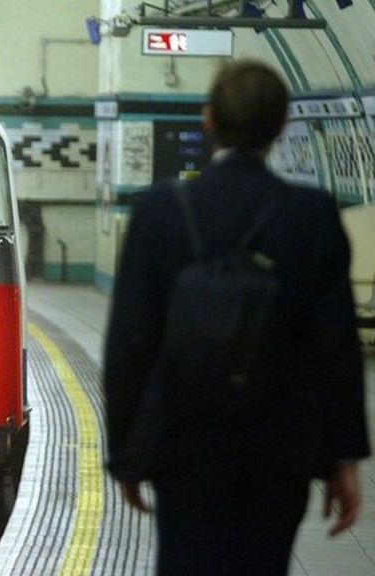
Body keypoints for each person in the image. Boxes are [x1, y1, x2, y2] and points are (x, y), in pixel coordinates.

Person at [103, 60, 369, 575]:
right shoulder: (310, 214)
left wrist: (126, 454)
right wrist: (345, 457)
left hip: (183, 444)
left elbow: (130, 343)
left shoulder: (160, 211)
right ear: (282, 125)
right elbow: (336, 345)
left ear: (208, 120)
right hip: (280, 447)